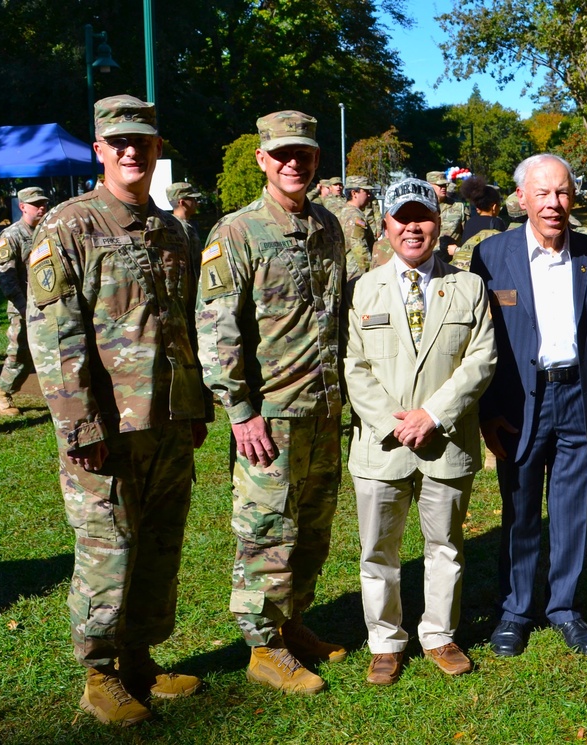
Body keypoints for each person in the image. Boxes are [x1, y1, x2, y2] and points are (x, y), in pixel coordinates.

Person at [26, 94, 211, 726]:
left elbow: (182, 325)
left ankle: (139, 659)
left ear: (157, 149)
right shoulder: (69, 227)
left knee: (160, 542)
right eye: (120, 141)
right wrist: (79, 424)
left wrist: (195, 406)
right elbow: (53, 334)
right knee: (108, 544)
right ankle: (99, 675)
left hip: (166, 421)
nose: (132, 150)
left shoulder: (174, 231)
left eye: (144, 140)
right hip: (107, 426)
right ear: (101, 149)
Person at [196, 110, 347, 695]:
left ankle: (291, 623)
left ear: (314, 160)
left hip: (325, 411)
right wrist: (241, 411)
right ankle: (263, 645)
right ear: (262, 159)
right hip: (270, 417)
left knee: (312, 529)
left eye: (303, 153)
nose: (293, 162)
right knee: (267, 529)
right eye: (281, 153)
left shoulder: (329, 226)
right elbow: (217, 330)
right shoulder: (235, 233)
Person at [470, 153, 587, 657]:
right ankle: (516, 610)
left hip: (580, 399)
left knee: (573, 510)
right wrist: (486, 411)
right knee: (518, 508)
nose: (554, 203)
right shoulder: (491, 256)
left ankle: (563, 606)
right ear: (522, 199)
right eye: (542, 193)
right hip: (518, 402)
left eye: (562, 192)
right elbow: (480, 341)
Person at [344, 177, 497, 685]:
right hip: (381, 445)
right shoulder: (363, 289)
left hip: (445, 442)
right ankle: (385, 640)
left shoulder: (469, 287)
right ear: (385, 225)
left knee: (445, 547)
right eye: (401, 218)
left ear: (439, 222)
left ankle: (438, 633)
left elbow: (482, 359)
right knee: (378, 552)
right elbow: (354, 367)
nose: (413, 227)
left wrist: (432, 416)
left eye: (423, 217)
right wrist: (397, 423)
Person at [0, 186, 49, 417]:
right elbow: (4, 277)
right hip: (24, 307)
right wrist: (25, 308)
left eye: (44, 203)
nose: (42, 207)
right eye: (36, 204)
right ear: (22, 207)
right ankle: (3, 393)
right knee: (21, 353)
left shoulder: (49, 231)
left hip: (50, 302)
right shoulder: (11, 236)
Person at [340, 176, 377, 279]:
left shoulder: (343, 211)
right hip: (356, 273)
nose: (369, 195)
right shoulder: (355, 216)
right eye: (365, 191)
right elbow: (360, 250)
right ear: (354, 193)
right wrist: (370, 274)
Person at [166, 181, 203, 272]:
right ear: (182, 202)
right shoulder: (176, 228)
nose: (196, 202)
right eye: (192, 199)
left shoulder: (187, 225)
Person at [427, 170, 466, 258]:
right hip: (428, 259)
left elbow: (467, 234)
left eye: (445, 185)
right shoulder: (422, 208)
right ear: (429, 186)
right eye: (440, 185)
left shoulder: (458, 207)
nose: (443, 188)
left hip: (451, 260)